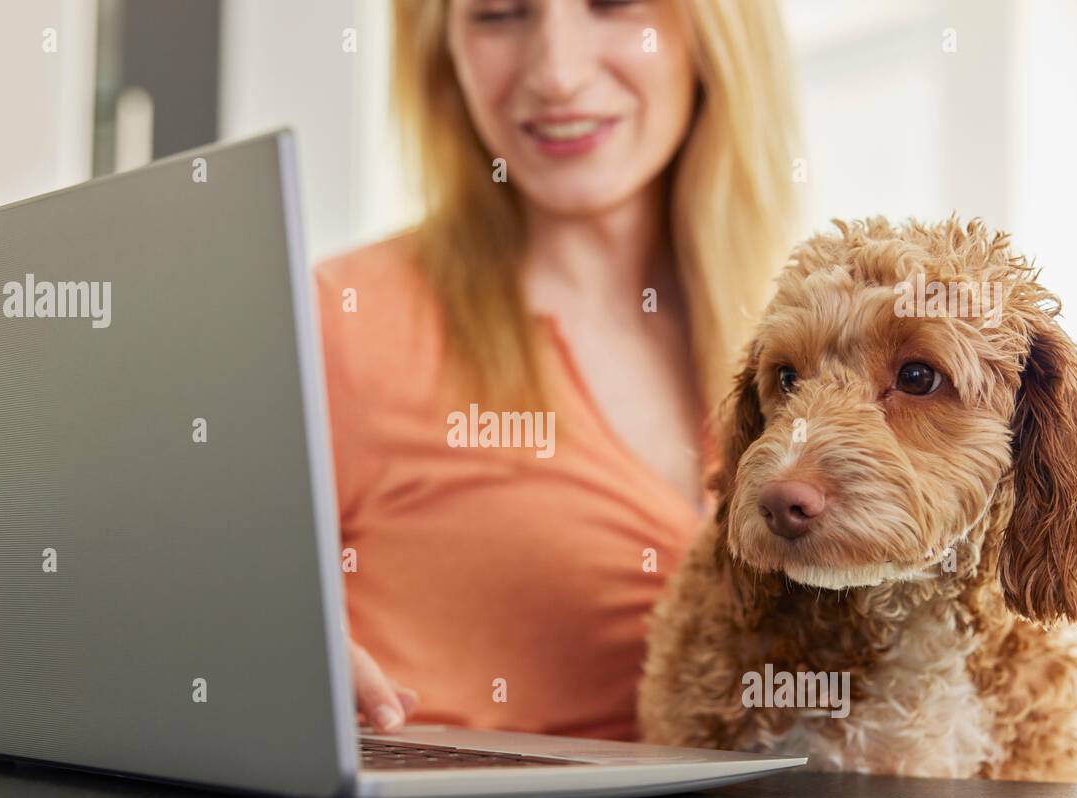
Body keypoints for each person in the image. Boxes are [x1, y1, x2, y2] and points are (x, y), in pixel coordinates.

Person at [314, 0, 798, 739]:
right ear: (442, 49)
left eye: (611, 5)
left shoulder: (811, 347)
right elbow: (146, 616)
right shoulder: (337, 320)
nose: (557, 75)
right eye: (499, 14)